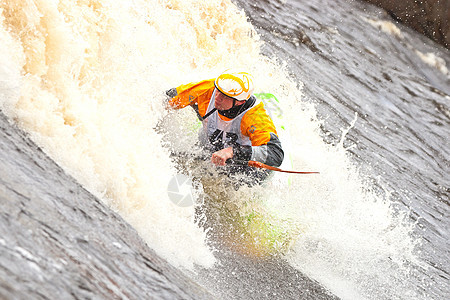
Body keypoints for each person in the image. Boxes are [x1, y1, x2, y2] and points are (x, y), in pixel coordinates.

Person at [165, 69, 284, 184]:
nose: (217, 98)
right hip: (209, 151)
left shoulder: (255, 117)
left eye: (225, 96)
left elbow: (276, 153)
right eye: (218, 91)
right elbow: (168, 98)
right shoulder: (208, 90)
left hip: (241, 163)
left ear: (240, 102)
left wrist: (233, 152)